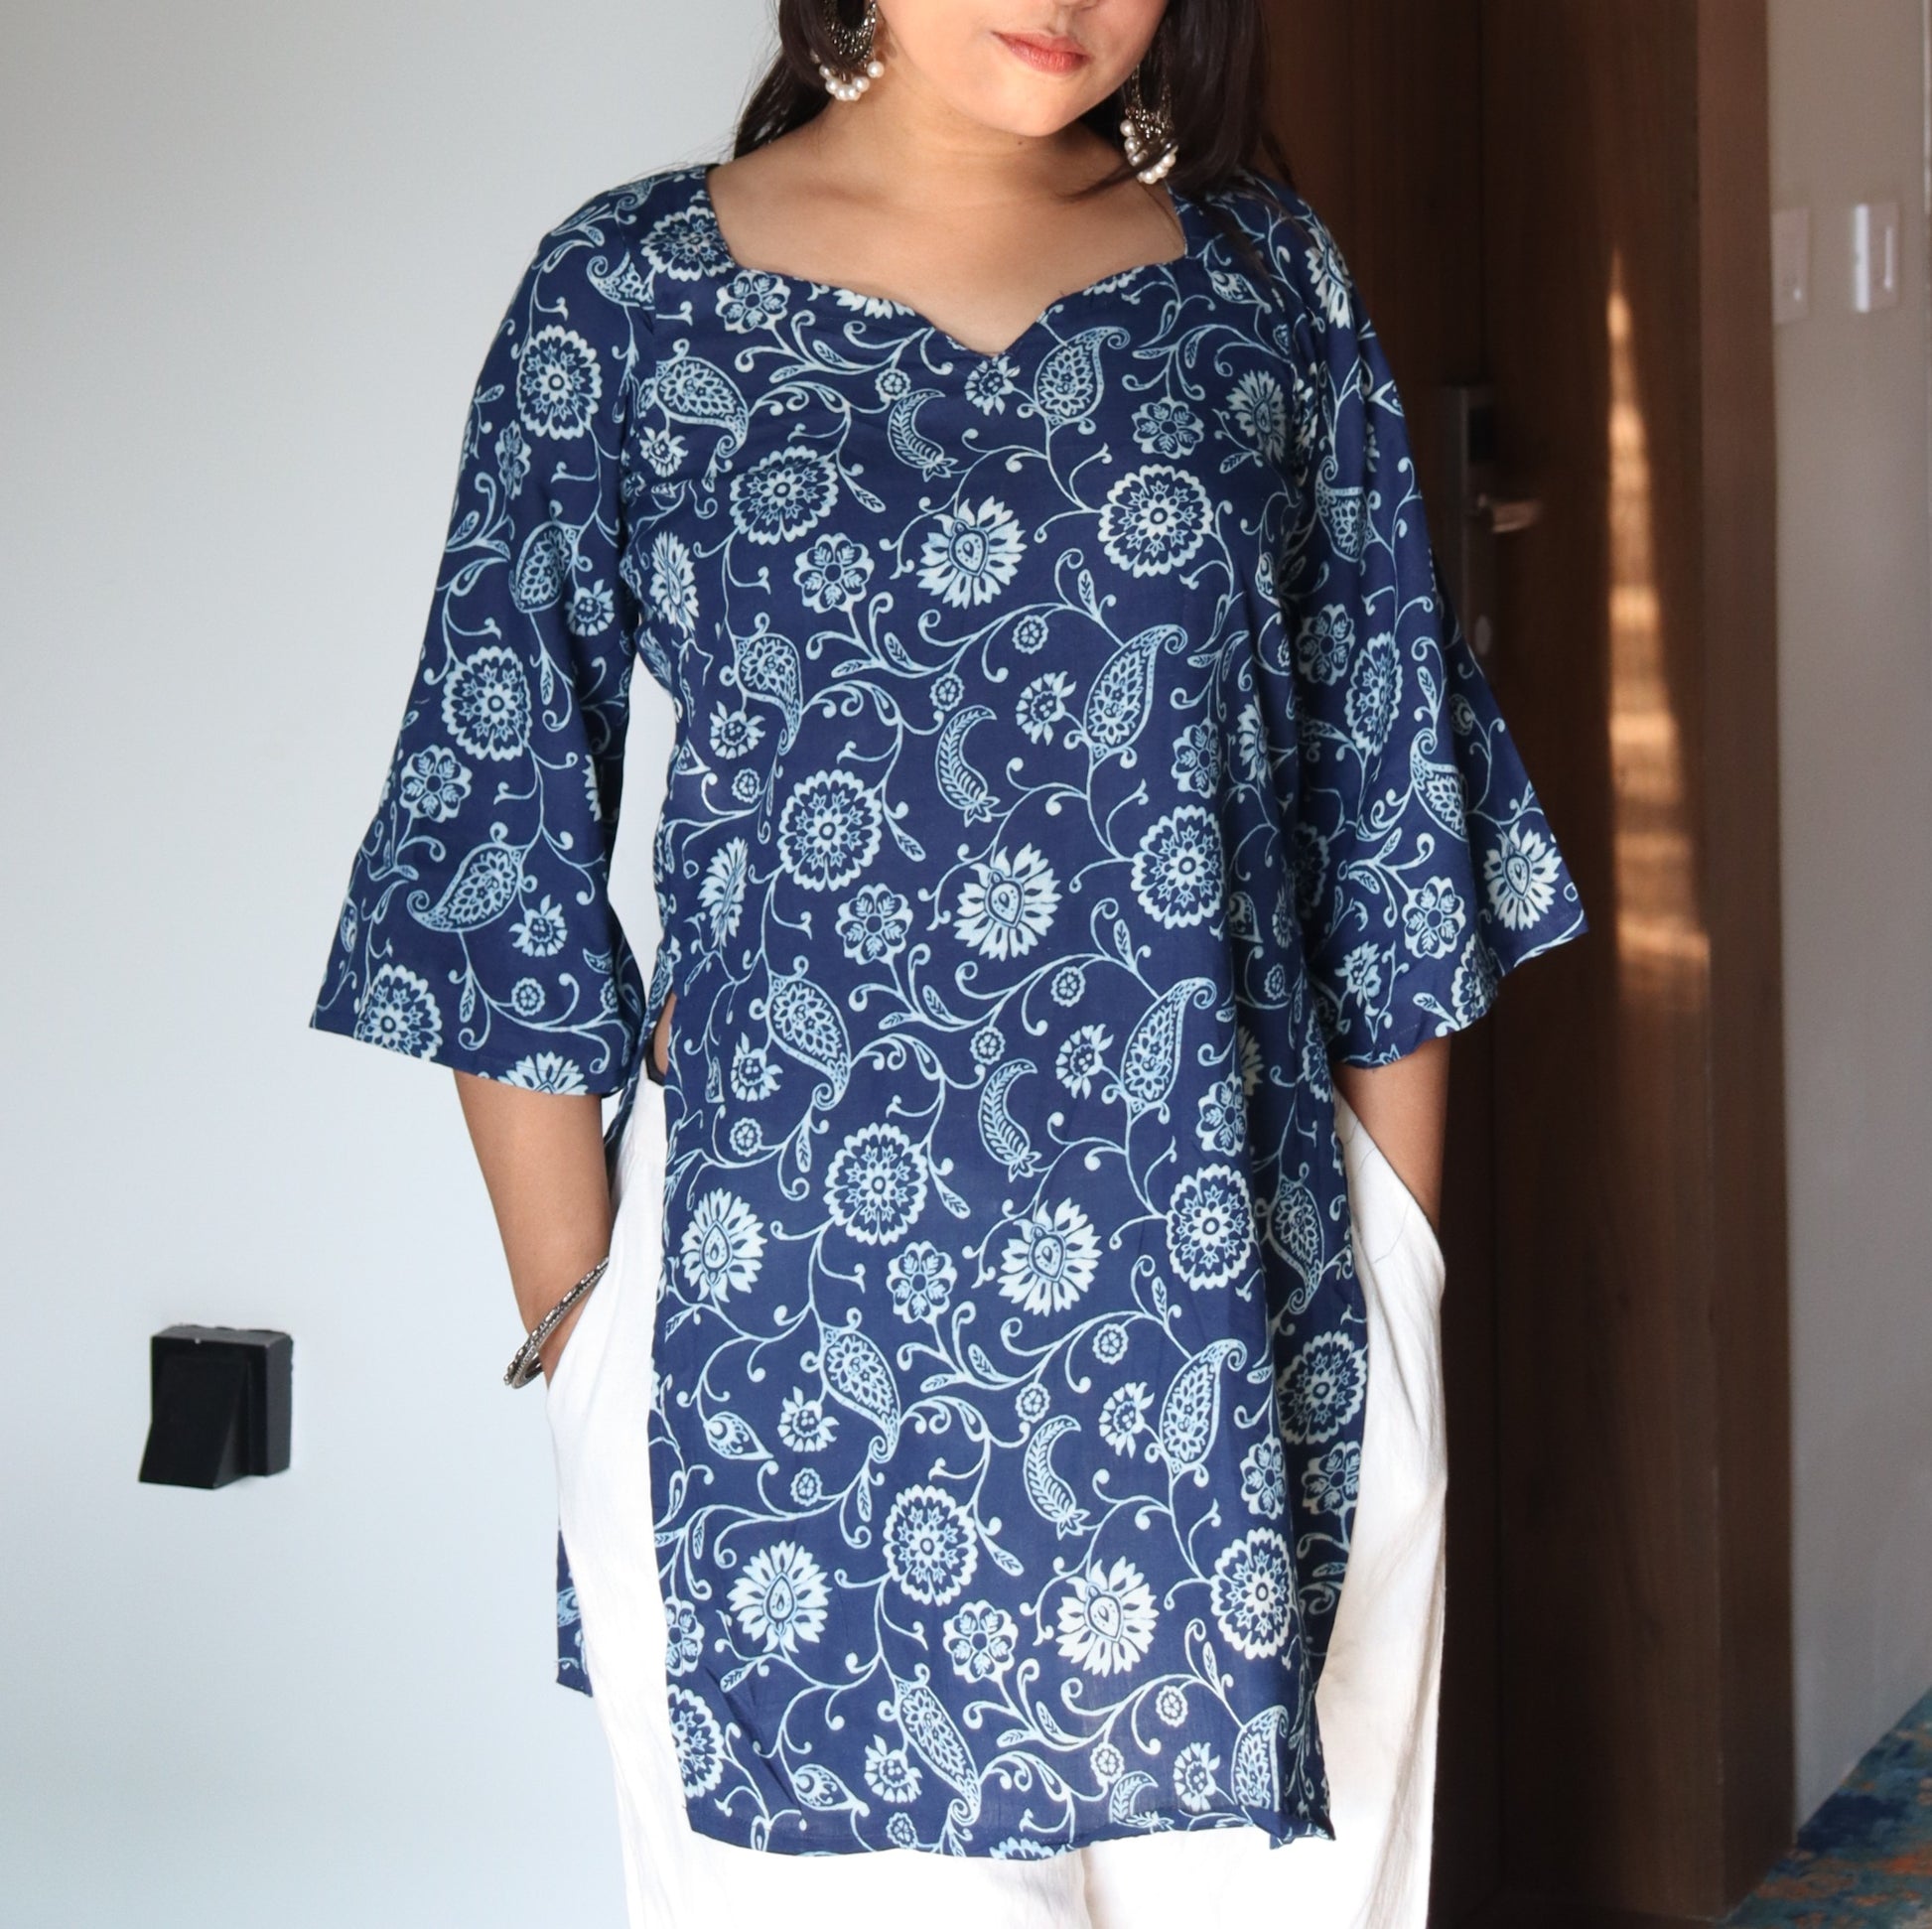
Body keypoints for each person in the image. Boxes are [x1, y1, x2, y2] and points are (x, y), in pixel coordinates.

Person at [309, 2, 1587, 1923]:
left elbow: (1385, 781)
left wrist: (1391, 1260)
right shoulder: (625, 295)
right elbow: (493, 828)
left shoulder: (1260, 277)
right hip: (779, 1376)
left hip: (1247, 1341)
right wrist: (580, 1332)